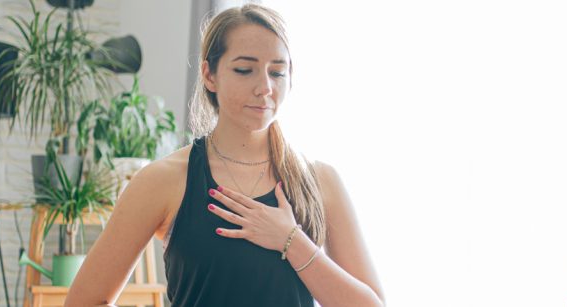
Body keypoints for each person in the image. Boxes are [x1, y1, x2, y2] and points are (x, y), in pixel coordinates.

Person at [65, 4, 384, 307]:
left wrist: (291, 241)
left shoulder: (319, 180)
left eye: (277, 72)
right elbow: (84, 301)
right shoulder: (164, 180)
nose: (265, 87)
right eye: (245, 69)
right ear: (209, 74)